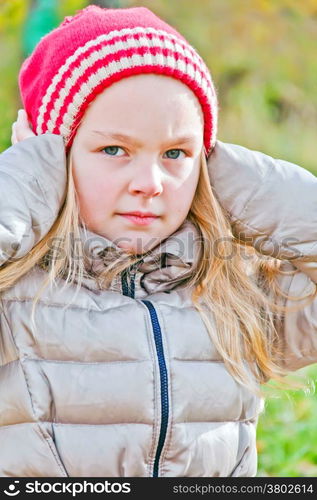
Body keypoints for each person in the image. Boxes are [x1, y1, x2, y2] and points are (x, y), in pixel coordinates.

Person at [1, 4, 316, 478]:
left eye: (176, 152)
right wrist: (27, 177)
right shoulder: (15, 296)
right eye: (114, 149)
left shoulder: (230, 293)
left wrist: (234, 181)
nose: (151, 182)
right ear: (52, 155)